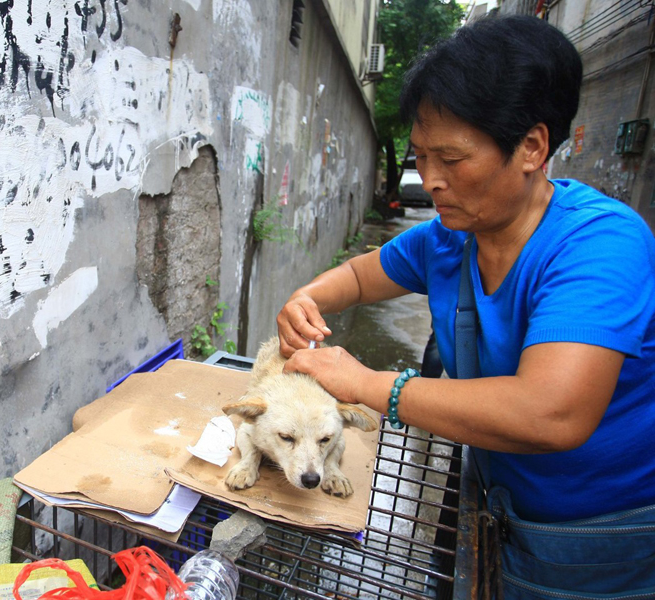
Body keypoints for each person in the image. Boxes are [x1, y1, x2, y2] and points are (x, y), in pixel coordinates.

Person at [276, 15, 655, 599]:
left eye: (451, 160)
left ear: (532, 147)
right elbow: (356, 275)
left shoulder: (601, 245)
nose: (430, 180)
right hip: (490, 501)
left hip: (592, 541)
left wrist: (371, 385)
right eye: (420, 157)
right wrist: (304, 300)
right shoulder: (449, 237)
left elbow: (551, 412)